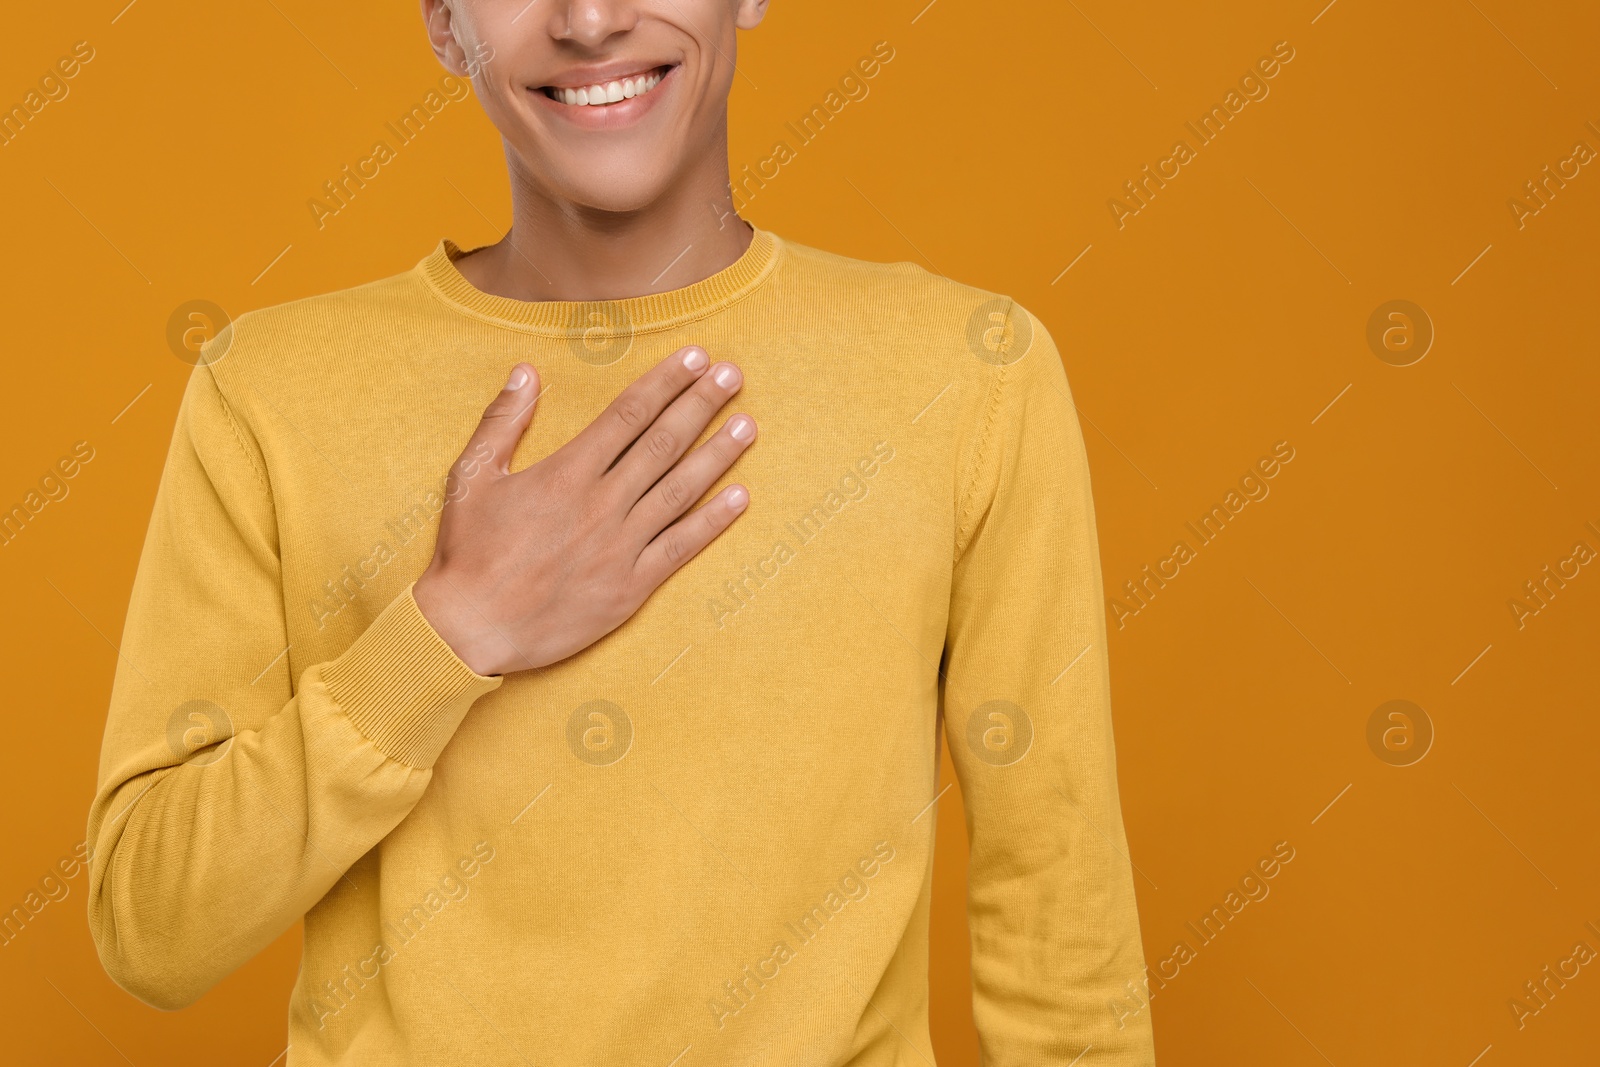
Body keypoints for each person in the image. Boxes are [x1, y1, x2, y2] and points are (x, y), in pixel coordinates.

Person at [86, 1, 1157, 1064]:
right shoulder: (269, 391)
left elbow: (1060, 936)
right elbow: (150, 927)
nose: (590, 18)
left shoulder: (968, 374)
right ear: (444, 22)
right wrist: (450, 629)